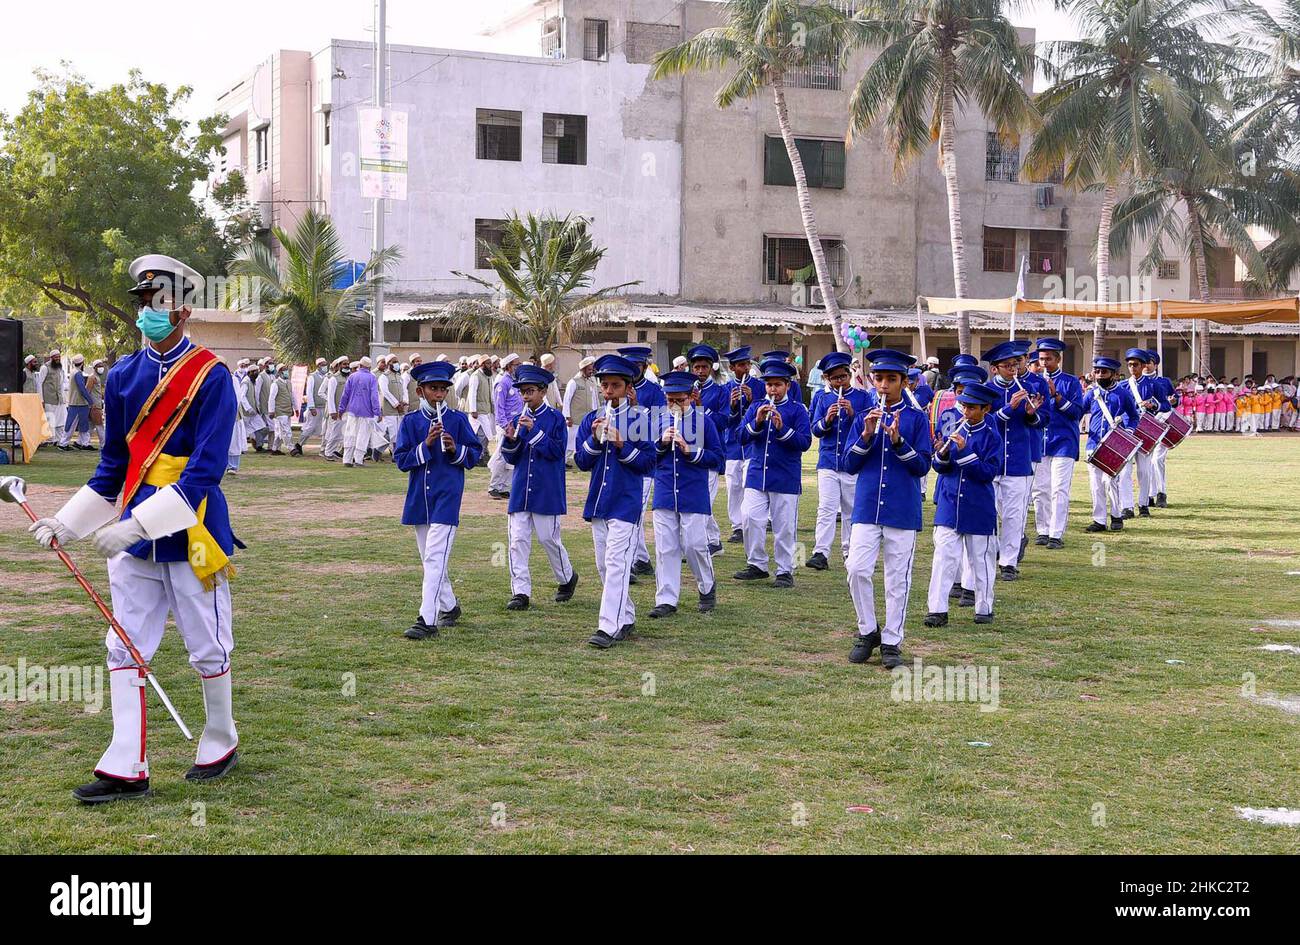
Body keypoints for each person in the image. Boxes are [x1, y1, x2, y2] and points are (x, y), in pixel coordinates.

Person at [28, 254, 240, 803]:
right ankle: (126, 764)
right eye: (144, 303)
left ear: (184, 309)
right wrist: (68, 522)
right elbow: (112, 469)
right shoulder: (123, 375)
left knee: (208, 643)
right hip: (134, 526)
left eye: (160, 303)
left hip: (193, 528)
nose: (149, 312)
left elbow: (205, 471)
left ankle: (220, 738)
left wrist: (135, 526)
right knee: (122, 643)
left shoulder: (212, 375)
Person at [843, 349, 932, 668]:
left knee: (897, 578)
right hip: (866, 507)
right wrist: (867, 435)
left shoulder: (917, 417)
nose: (883, 385)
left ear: (904, 382)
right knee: (856, 568)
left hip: (902, 509)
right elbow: (849, 464)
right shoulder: (863, 415)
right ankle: (868, 630)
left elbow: (923, 466)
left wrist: (897, 441)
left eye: (891, 379)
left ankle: (892, 640)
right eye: (878, 378)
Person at [394, 360, 484, 640]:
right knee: (429, 559)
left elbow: (475, 455)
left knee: (434, 558)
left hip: (447, 498)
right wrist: (426, 446)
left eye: (444, 389)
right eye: (433, 389)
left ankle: (427, 619)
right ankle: (450, 605)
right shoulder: (410, 422)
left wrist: (455, 449)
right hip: (419, 500)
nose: (439, 394)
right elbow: (401, 460)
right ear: (420, 391)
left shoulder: (457, 420)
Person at [573, 354, 656, 649]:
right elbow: (581, 462)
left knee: (617, 563)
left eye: (615, 386)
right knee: (605, 567)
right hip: (599, 502)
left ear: (627, 387)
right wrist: (595, 440)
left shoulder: (642, 419)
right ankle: (627, 615)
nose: (609, 391)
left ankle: (607, 627)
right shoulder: (590, 420)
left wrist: (622, 445)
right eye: (605, 385)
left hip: (626, 502)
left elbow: (648, 463)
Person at [498, 363, 579, 611]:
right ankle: (520, 592)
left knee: (548, 539)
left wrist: (534, 432)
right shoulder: (516, 419)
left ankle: (567, 577)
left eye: (530, 391)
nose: (526, 396)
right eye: (523, 392)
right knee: (517, 541)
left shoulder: (555, 419)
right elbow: (511, 458)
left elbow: (556, 452)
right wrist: (511, 440)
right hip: (521, 489)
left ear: (543, 392)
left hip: (547, 489)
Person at [923, 381, 1003, 628]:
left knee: (981, 560)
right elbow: (939, 466)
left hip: (978, 505)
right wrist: (943, 455)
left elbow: (989, 472)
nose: (965, 412)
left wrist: (965, 451)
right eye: (963, 406)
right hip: (949, 502)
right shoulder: (953, 429)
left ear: (985, 409)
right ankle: (937, 610)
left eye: (971, 408)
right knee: (943, 558)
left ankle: (984, 607)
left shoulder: (992, 436)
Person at [648, 371, 723, 618]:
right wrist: (660, 443)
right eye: (669, 399)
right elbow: (646, 457)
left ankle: (707, 586)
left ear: (690, 397)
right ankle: (666, 599)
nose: (673, 405)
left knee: (694, 545)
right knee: (665, 547)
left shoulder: (704, 422)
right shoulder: (657, 419)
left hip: (693, 491)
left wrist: (692, 451)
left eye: (679, 399)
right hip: (665, 490)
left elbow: (718, 458)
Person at [733, 358, 812, 589]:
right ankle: (757, 564)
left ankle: (785, 570)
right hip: (757, 474)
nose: (772, 390)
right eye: (769, 385)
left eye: (777, 385)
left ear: (787, 385)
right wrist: (757, 422)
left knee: (784, 527)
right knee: (749, 518)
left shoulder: (797, 410)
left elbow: (805, 442)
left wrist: (782, 429)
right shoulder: (755, 406)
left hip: (785, 477)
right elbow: (740, 436)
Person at [807, 351, 875, 571]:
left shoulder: (862, 397)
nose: (839, 382)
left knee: (850, 509)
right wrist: (827, 418)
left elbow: (868, 429)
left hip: (852, 462)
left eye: (843, 377)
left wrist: (853, 413)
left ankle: (850, 551)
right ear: (827, 379)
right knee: (826, 507)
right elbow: (815, 430)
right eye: (835, 378)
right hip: (827, 461)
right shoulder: (821, 397)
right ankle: (820, 552)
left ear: (849, 375)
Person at [983, 341, 1043, 580]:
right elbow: (985, 422)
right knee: (991, 512)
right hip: (992, 461)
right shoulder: (985, 391)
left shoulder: (1030, 387)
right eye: (1007, 366)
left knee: (1014, 513)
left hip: (1019, 460)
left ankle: (1008, 562)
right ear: (994, 369)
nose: (1013, 370)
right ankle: (988, 555)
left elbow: (1043, 420)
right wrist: (1010, 407)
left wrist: (1031, 413)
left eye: (1015, 365)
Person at [1030, 338, 1085, 549]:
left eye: (1049, 359)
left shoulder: (1070, 382)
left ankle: (1056, 533)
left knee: (1059, 489)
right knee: (1040, 489)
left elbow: (1077, 413)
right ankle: (1042, 530)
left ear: (1058, 359)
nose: (1044, 363)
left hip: (1064, 441)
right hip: (1039, 440)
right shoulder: (1033, 381)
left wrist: (1057, 397)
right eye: (1041, 359)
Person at [618, 345, 664, 578]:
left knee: (634, 512)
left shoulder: (654, 391)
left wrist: (636, 406)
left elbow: (658, 425)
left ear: (644, 367)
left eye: (637, 366)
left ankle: (632, 561)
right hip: (619, 460)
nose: (632, 370)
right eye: (629, 366)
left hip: (643, 461)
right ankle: (642, 559)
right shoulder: (616, 387)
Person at [1084, 356, 1140, 532]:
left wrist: (1129, 431)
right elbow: (1078, 412)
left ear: (1114, 374)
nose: (1100, 375)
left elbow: (1133, 416)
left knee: (1111, 482)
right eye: (1097, 371)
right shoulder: (1091, 393)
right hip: (1093, 444)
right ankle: (1099, 520)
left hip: (1113, 444)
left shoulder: (1122, 394)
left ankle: (1116, 515)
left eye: (1104, 372)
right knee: (1096, 484)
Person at [720, 346, 764, 544]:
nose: (745, 368)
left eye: (747, 364)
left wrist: (751, 400)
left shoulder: (760, 386)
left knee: (750, 485)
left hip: (752, 444)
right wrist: (731, 405)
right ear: (732, 368)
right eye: (740, 365)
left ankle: (749, 522)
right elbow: (723, 421)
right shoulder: (725, 389)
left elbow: (763, 413)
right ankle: (736, 525)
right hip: (732, 445)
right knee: (733, 486)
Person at [687, 344, 728, 554]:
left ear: (711, 367)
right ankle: (714, 541)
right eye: (697, 367)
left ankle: (701, 544)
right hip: (689, 453)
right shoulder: (685, 390)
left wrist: (701, 407)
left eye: (704, 367)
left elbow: (723, 421)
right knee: (698, 498)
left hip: (710, 453)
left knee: (705, 500)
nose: (700, 371)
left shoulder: (721, 391)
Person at [1121, 348, 1159, 517]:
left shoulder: (1153, 384)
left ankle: (1143, 504)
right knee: (1124, 471)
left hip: (1145, 431)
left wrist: (1153, 405)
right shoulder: (1123, 386)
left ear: (1143, 365)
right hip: (1127, 430)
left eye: (1135, 365)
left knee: (1144, 470)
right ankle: (1127, 506)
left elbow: (1165, 405)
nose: (1132, 368)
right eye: (1129, 365)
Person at [1141, 350, 1177, 507]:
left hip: (1161, 422)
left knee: (1158, 459)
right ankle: (1149, 494)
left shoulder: (1164, 381)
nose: (1145, 365)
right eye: (1144, 362)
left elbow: (1174, 399)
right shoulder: (1136, 383)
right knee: (1146, 461)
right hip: (1144, 425)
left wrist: (1174, 400)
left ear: (1155, 364)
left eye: (1149, 362)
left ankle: (1161, 493)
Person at [488, 353, 522, 498]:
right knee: (501, 456)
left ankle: (504, 487)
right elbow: (499, 407)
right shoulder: (503, 382)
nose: (518, 367)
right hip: (506, 425)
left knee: (512, 456)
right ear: (509, 366)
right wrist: (504, 425)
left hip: (517, 425)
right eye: (516, 364)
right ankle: (494, 486)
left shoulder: (515, 381)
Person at [338, 356, 381, 467]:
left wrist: (341, 409)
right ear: (369, 367)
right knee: (363, 436)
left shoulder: (352, 377)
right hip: (367, 412)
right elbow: (374, 397)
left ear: (360, 366)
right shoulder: (372, 378)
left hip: (352, 411)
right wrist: (377, 412)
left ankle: (347, 460)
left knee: (350, 434)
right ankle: (358, 460)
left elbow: (345, 395)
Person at [563, 356, 598, 467]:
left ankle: (587, 462)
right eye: (589, 369)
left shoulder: (592, 381)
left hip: (588, 419)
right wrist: (567, 416)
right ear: (583, 369)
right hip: (575, 419)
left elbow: (595, 399)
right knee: (570, 442)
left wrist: (596, 414)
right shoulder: (573, 382)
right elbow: (567, 400)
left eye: (592, 369)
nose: (591, 372)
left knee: (587, 441)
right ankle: (563, 462)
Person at [292, 358, 328, 456]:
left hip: (324, 407)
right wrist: (311, 407)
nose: (325, 366)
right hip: (315, 408)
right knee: (309, 428)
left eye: (326, 364)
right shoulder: (312, 377)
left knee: (325, 428)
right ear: (318, 366)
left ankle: (324, 449)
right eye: (323, 364)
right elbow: (309, 392)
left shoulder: (327, 377)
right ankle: (299, 444)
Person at [61, 355, 93, 451]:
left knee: (83, 424)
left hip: (77, 402)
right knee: (72, 424)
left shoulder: (73, 372)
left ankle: (84, 443)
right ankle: (63, 443)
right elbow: (82, 389)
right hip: (78, 403)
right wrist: (90, 400)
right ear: (82, 363)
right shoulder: (78, 374)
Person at [377, 355, 405, 459]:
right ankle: (393, 454)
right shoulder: (383, 377)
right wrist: (396, 404)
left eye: (397, 361)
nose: (397, 364)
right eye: (394, 362)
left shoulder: (399, 376)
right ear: (389, 364)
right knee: (392, 433)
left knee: (398, 433)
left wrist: (403, 402)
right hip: (389, 409)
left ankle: (381, 450)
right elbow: (385, 392)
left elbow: (403, 390)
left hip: (400, 410)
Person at [37, 349, 66, 447]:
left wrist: (63, 397)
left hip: (59, 399)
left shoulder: (60, 368)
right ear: (51, 358)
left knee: (60, 420)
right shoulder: (45, 367)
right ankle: (46, 440)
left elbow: (62, 383)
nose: (58, 358)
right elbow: (39, 383)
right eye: (56, 357)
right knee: (49, 419)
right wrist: (41, 399)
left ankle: (58, 439)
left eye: (59, 356)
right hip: (48, 398)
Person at [320, 357, 347, 461]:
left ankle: (335, 451)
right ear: (339, 366)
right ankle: (328, 452)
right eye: (344, 364)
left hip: (346, 411)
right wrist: (332, 411)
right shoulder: (333, 378)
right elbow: (330, 397)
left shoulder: (348, 378)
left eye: (347, 364)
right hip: (336, 411)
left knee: (343, 434)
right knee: (335, 433)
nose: (346, 366)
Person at [268, 363, 294, 455]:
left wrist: (294, 408)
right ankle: (291, 448)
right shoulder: (275, 384)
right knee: (286, 430)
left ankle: (275, 449)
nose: (286, 371)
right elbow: (271, 398)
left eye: (287, 369)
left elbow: (292, 396)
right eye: (284, 370)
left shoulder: (289, 383)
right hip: (279, 411)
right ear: (279, 372)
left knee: (279, 431)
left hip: (287, 410)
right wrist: (271, 411)